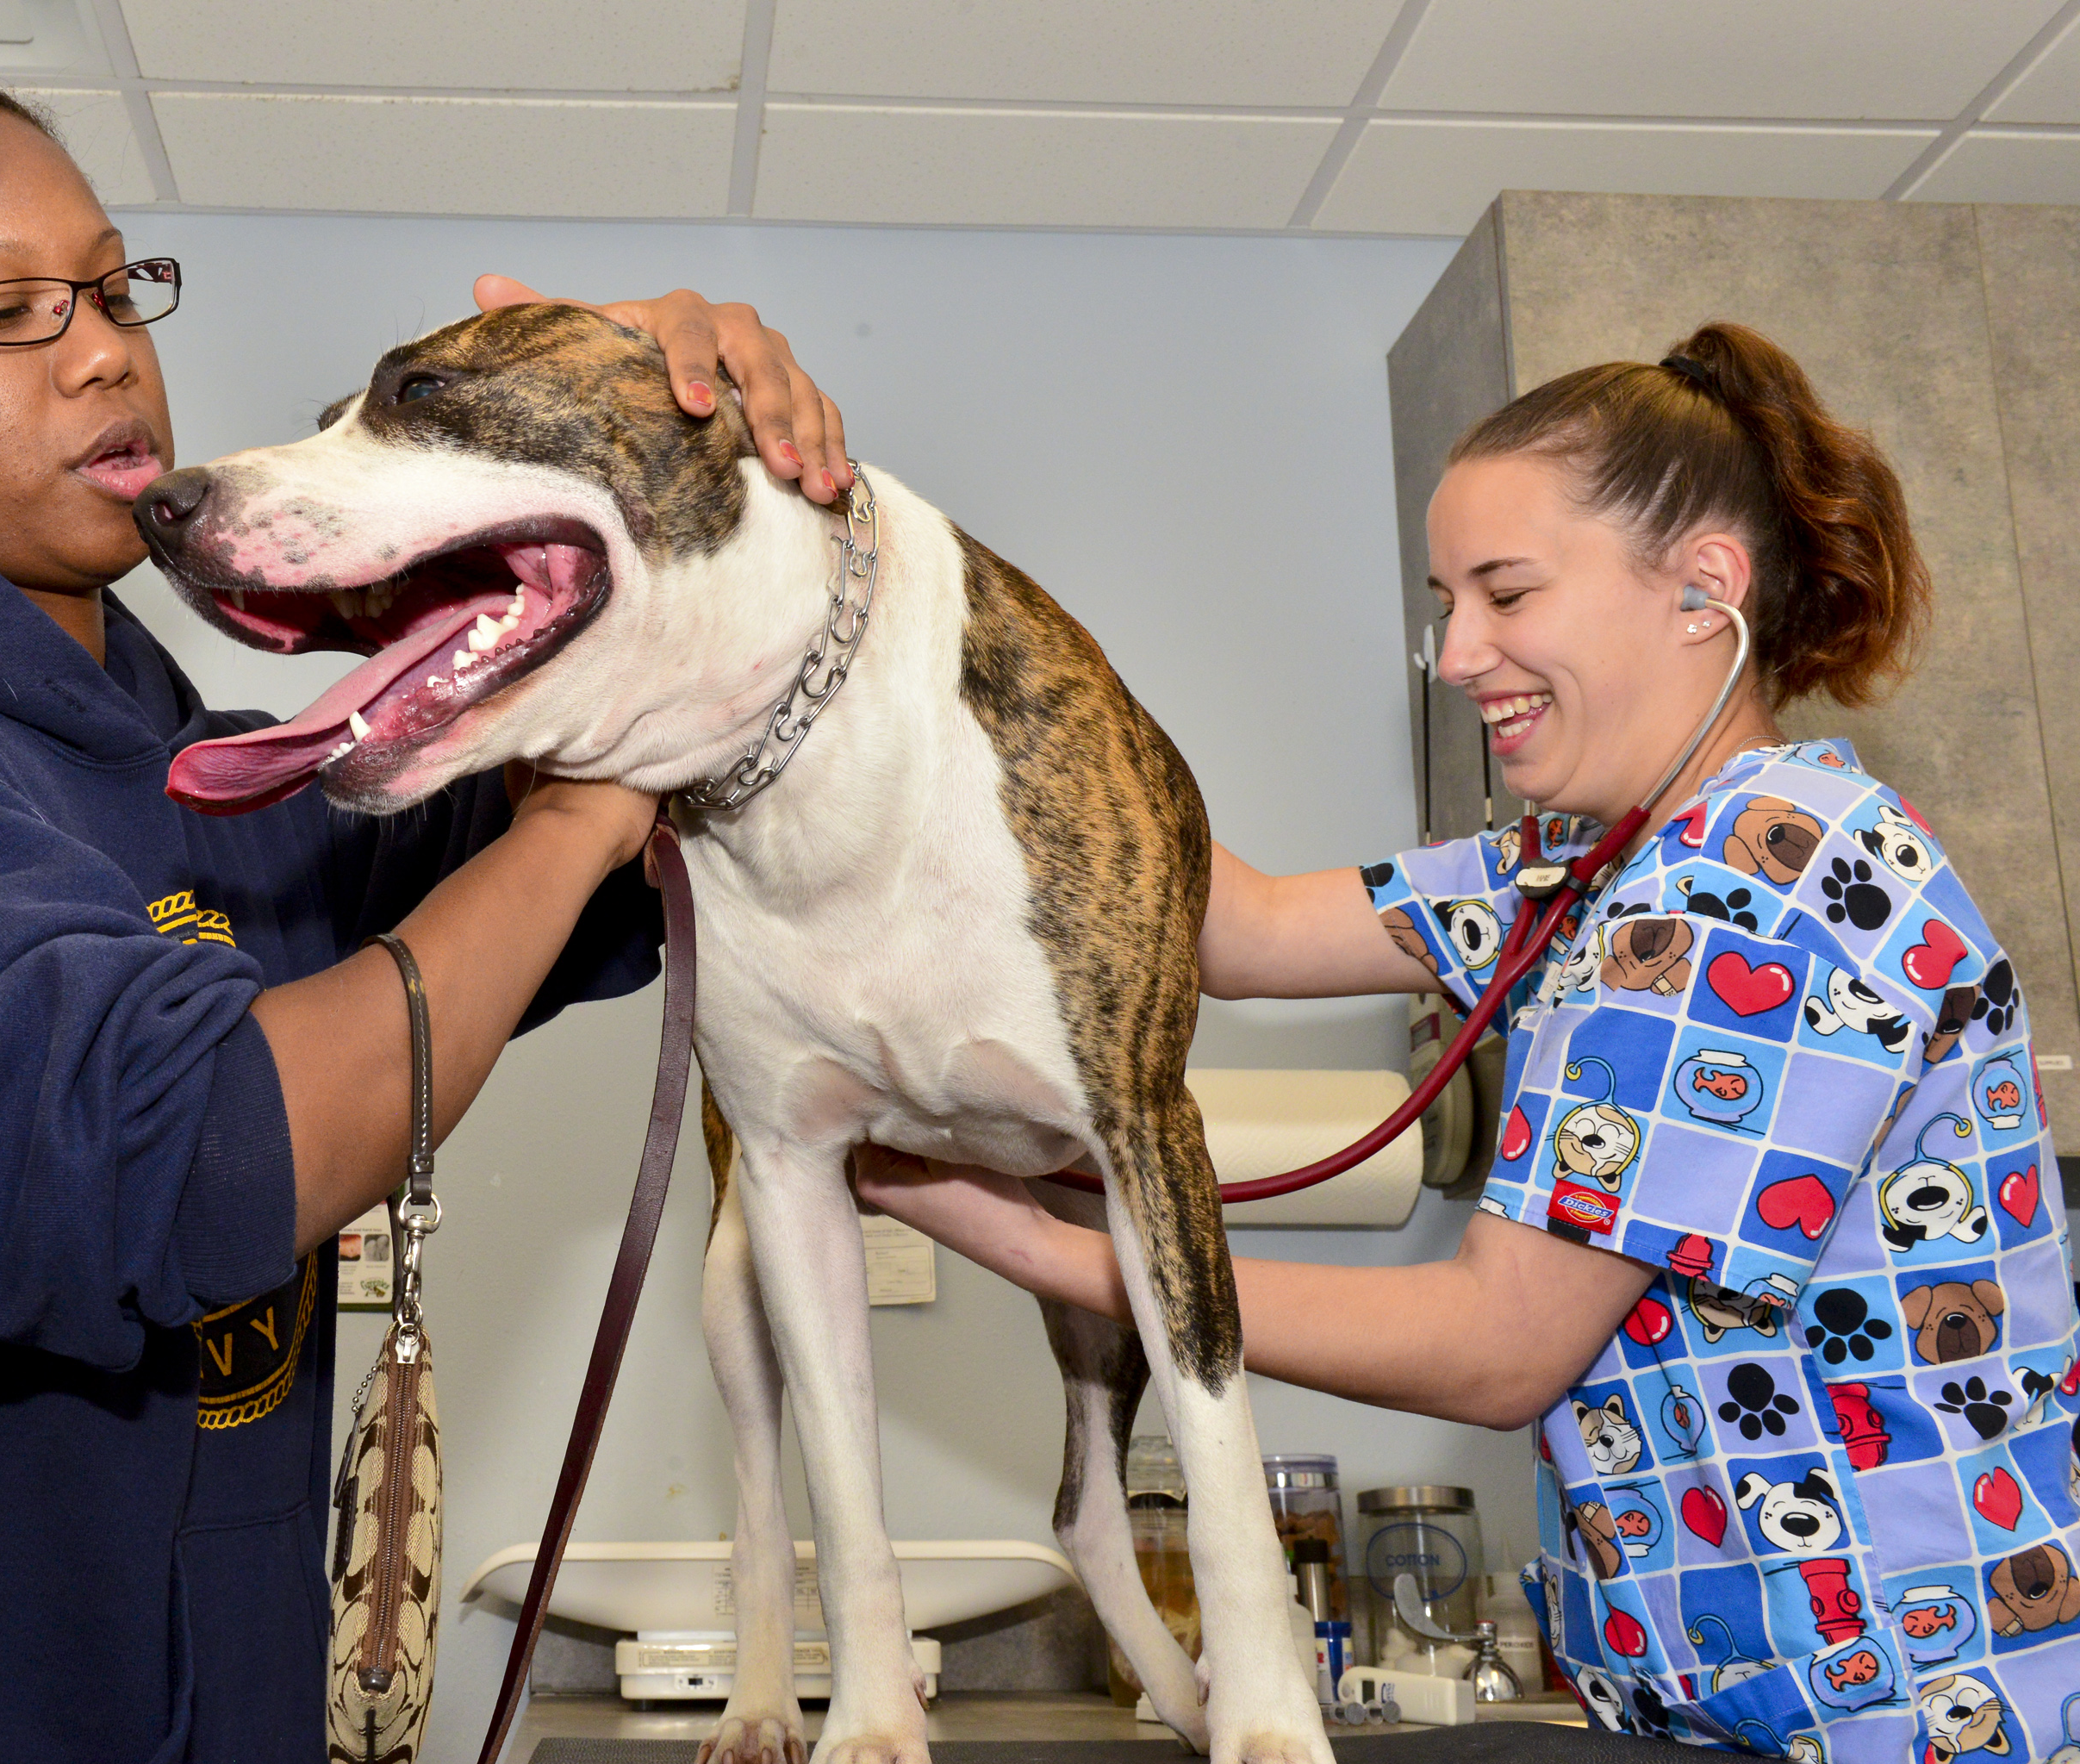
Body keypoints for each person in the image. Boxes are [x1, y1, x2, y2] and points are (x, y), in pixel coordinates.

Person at [0, 59, 851, 1760]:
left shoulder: (217, 785)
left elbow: (700, 831)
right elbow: (217, 1146)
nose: (101, 349)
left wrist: (670, 461)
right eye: (1, 308)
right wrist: (580, 814)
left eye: (116, 286)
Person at [857, 327, 2077, 1756]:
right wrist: (974, 709)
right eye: (1448, 602)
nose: (1456, 654)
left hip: (1908, 1720)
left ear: (1705, 590)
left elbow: (1497, 1348)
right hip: (1720, 1713)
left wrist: (1048, 1243)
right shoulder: (1584, 867)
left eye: (1506, 593)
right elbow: (1225, 922)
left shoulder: (1767, 876)